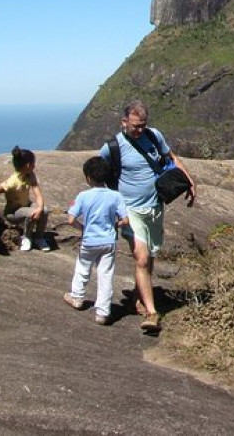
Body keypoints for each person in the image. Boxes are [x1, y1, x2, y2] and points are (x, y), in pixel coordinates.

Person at [99, 100, 195, 332]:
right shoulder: (112, 146)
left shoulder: (154, 136)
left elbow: (170, 157)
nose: (139, 130)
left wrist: (189, 181)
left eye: (143, 125)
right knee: (142, 258)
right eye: (135, 126)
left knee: (150, 255)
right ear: (124, 122)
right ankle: (152, 313)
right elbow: (97, 171)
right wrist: (110, 206)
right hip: (130, 211)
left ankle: (137, 296)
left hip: (154, 206)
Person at [64, 156, 129, 325]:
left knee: (83, 268)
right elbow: (126, 220)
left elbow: (71, 219)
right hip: (108, 241)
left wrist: (82, 228)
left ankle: (77, 297)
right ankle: (102, 312)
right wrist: (116, 224)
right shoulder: (116, 196)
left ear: (88, 178)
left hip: (89, 240)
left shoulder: (83, 196)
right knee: (105, 275)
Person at [0, 146, 49, 252]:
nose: (34, 165)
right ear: (28, 165)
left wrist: (40, 208)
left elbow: (38, 194)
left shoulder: (30, 175)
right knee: (32, 213)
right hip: (13, 212)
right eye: (33, 163)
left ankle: (38, 237)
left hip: (26, 205)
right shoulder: (13, 182)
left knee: (44, 210)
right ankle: (27, 237)